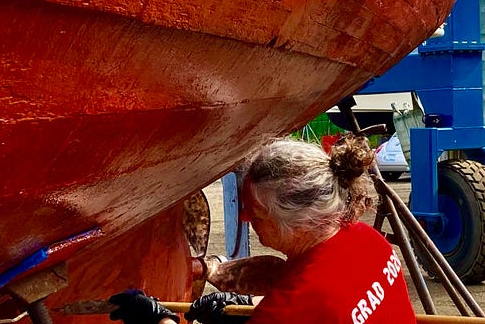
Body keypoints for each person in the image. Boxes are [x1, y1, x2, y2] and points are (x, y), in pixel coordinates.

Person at [107, 136, 416, 324]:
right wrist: (249, 308)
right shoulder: (369, 240)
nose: (244, 220)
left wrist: (161, 319)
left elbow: (308, 306)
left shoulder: (291, 309)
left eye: (254, 212)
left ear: (297, 223)